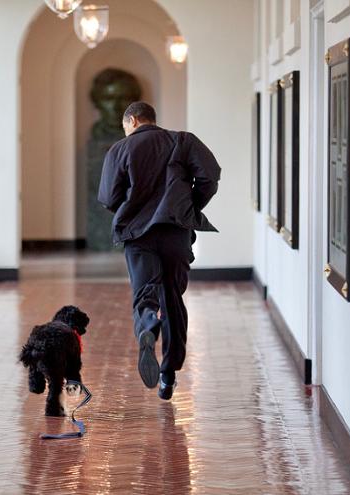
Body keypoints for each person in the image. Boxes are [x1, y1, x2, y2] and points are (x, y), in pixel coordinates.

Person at [98, 101, 221, 400]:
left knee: (145, 292)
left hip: (139, 235)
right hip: (175, 231)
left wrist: (130, 208)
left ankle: (148, 325)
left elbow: (108, 196)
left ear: (133, 120)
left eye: (125, 126)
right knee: (173, 297)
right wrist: (187, 205)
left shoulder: (120, 149)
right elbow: (210, 176)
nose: (125, 131)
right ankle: (168, 375)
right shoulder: (182, 140)